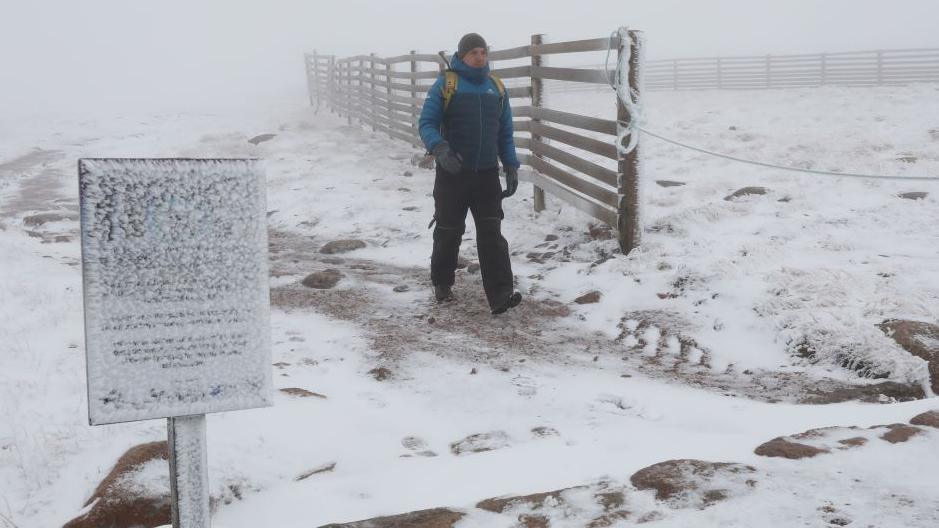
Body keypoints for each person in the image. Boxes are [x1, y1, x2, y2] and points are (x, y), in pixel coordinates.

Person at [419, 32, 522, 315]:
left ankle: (501, 295)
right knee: (449, 230)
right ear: (462, 56)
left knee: (492, 232)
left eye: (483, 52)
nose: (480, 57)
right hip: (453, 173)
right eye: (474, 52)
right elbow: (426, 123)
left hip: (487, 174)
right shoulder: (446, 84)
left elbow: (506, 133)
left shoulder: (497, 88)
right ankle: (442, 282)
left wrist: (511, 166)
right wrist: (440, 149)